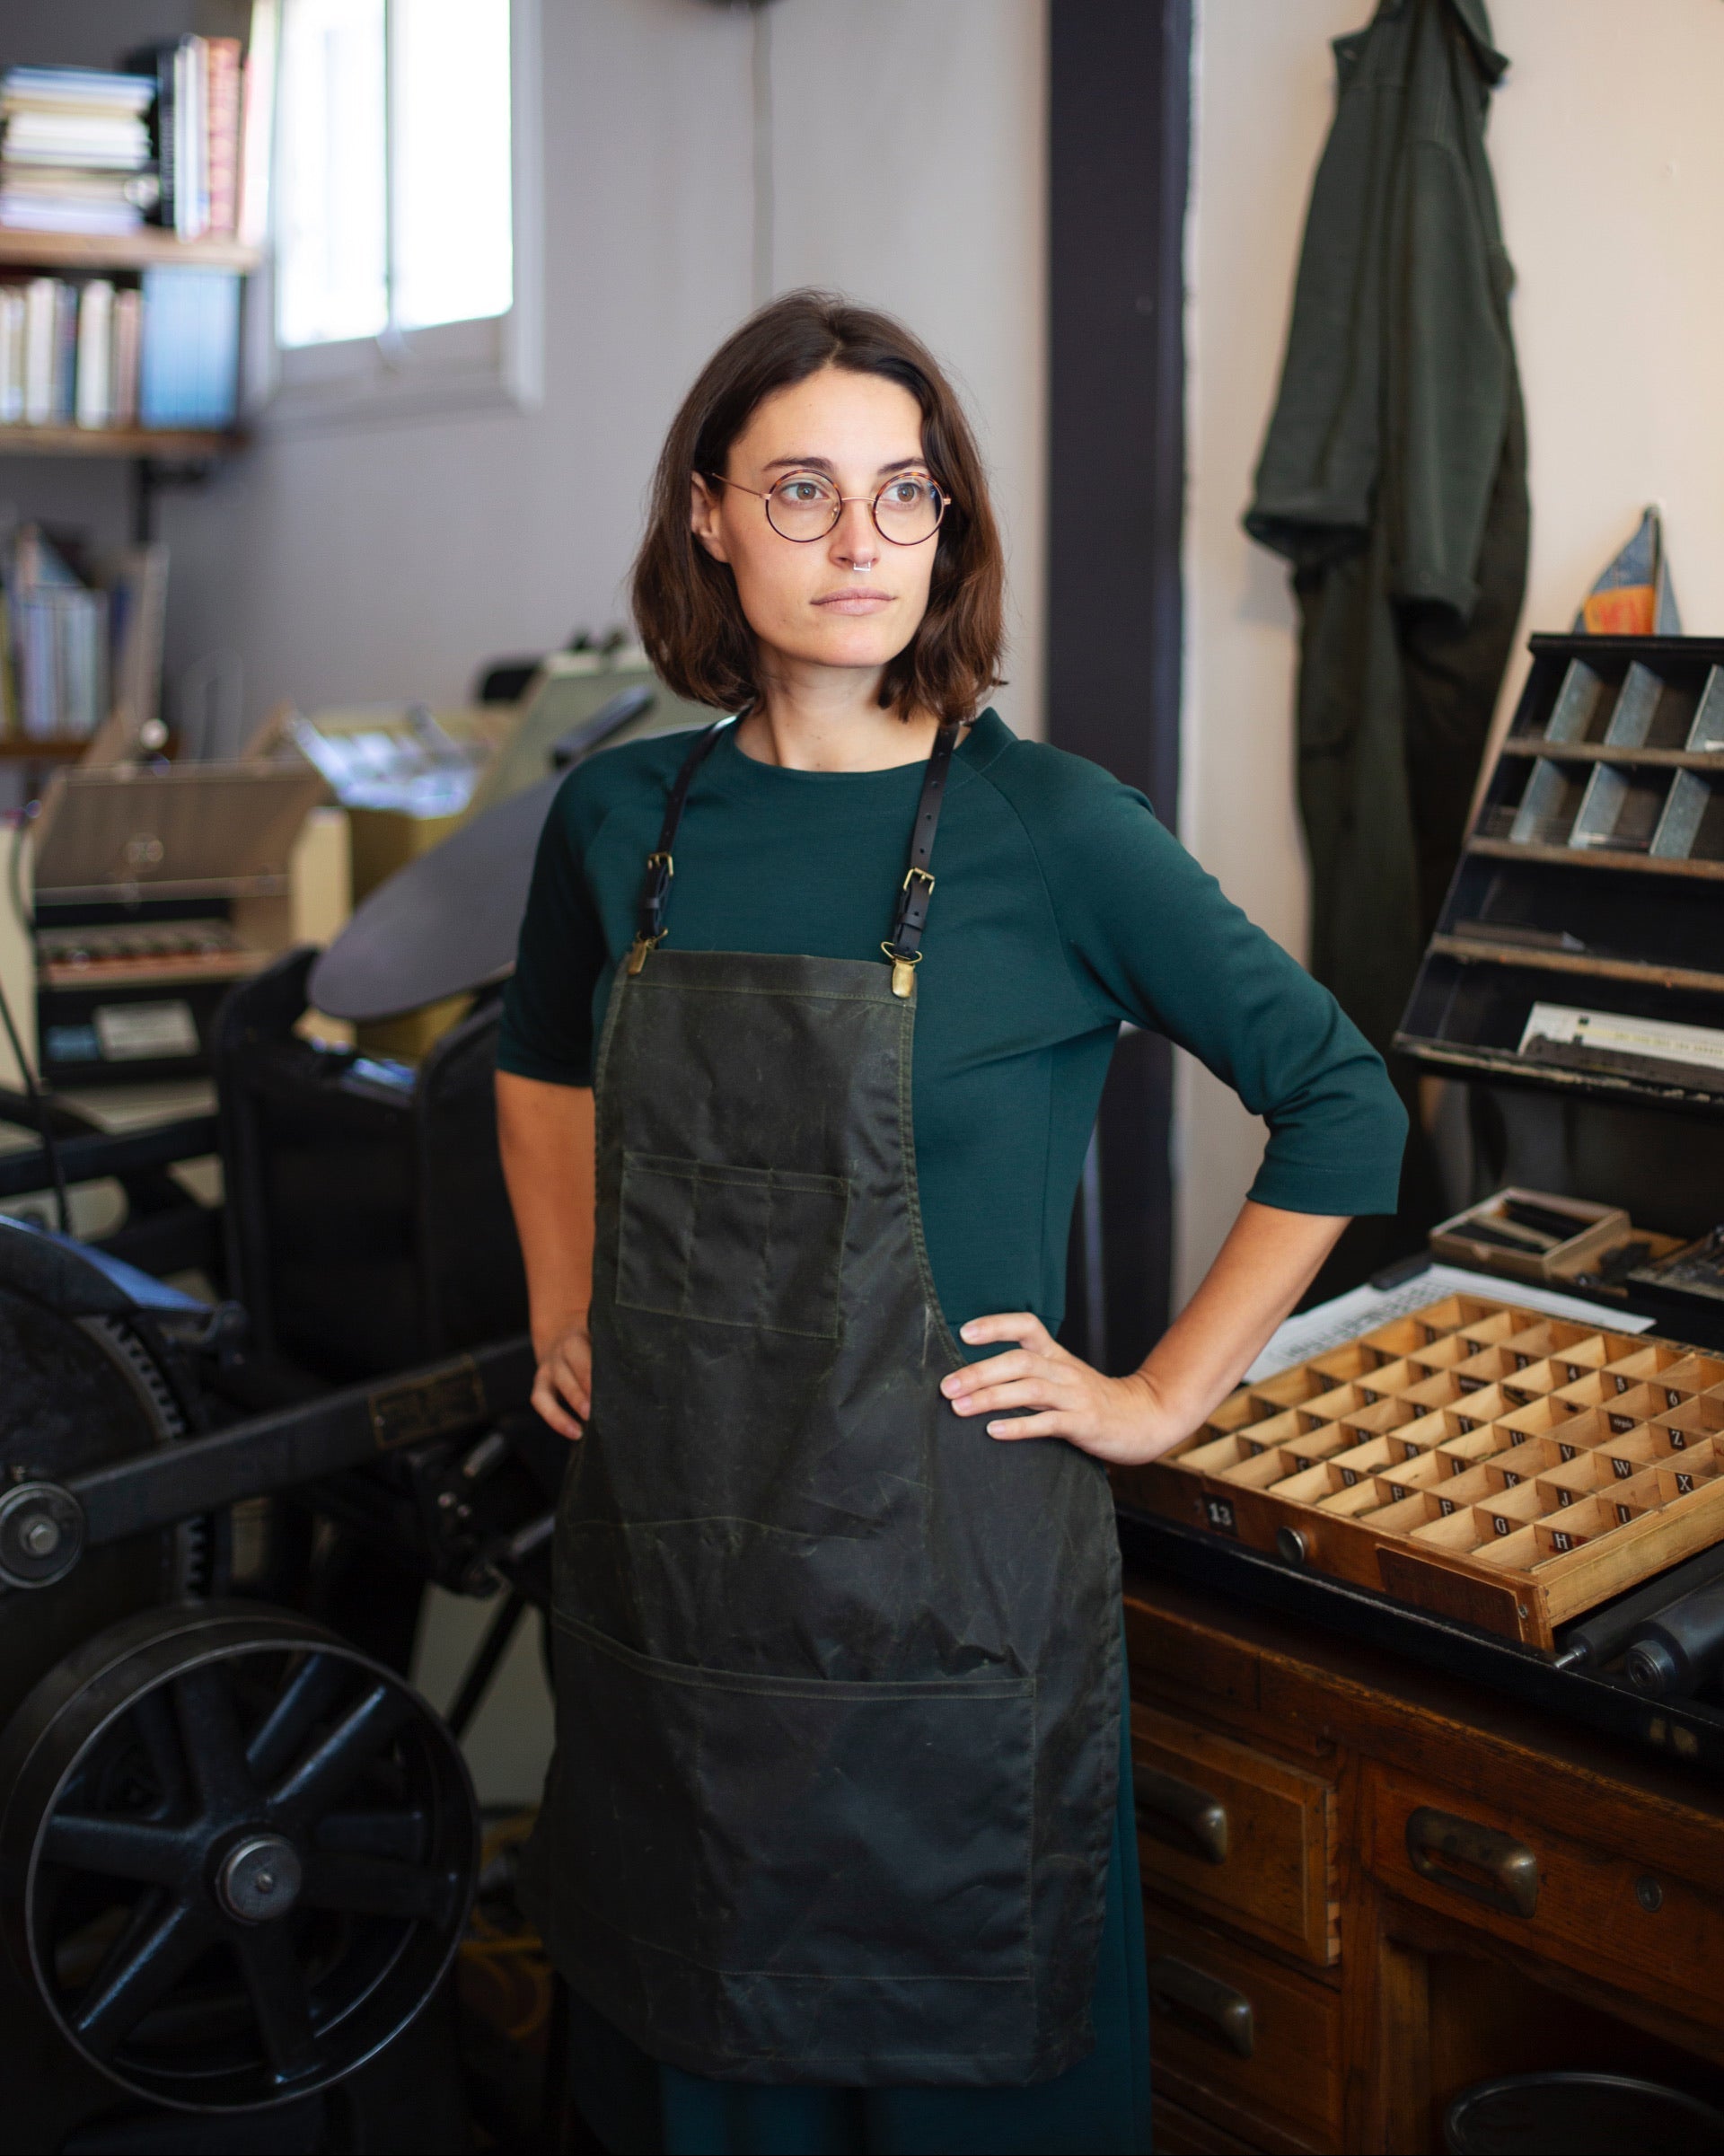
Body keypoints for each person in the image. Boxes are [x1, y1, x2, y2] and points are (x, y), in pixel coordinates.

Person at [496, 289, 1406, 2156]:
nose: (860, 542)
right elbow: (535, 1068)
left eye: (903, 494)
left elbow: (1343, 1098)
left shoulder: (1053, 829)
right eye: (803, 491)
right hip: (679, 1604)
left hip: (952, 1621)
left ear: (947, 524)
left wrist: (1161, 1395)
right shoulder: (616, 822)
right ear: (708, 515)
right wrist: (563, 1300)